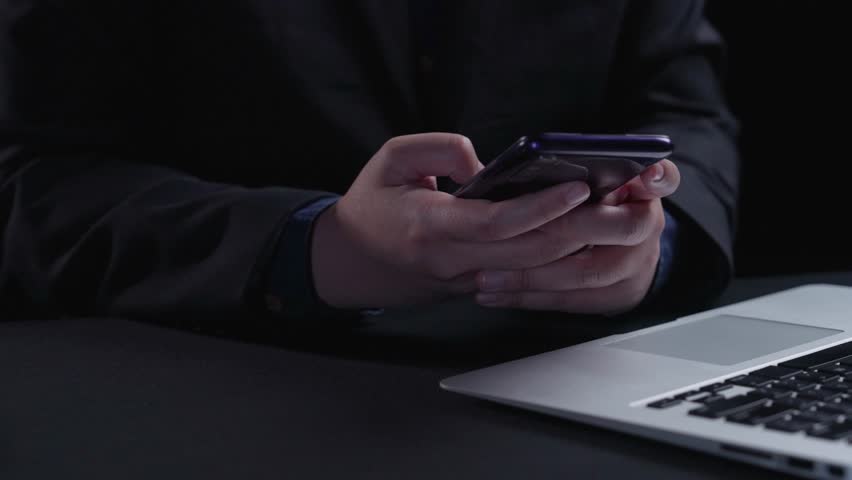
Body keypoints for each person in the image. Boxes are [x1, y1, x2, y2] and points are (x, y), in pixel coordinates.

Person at [0, 0, 739, 321]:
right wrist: (323, 246)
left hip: (568, 375)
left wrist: (651, 240)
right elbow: (35, 180)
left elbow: (688, 115)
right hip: (234, 391)